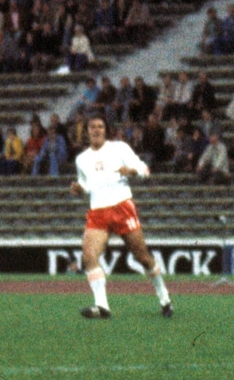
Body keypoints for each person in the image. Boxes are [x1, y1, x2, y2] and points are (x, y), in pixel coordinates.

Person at [69, 117, 173, 319]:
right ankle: (102, 306)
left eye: (100, 126)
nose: (96, 130)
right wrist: (80, 189)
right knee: (89, 255)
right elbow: (87, 185)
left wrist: (132, 171)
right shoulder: (82, 159)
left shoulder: (119, 148)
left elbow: (145, 170)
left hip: (121, 206)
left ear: (106, 130)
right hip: (98, 210)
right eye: (93, 127)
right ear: (87, 131)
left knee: (143, 257)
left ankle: (164, 296)